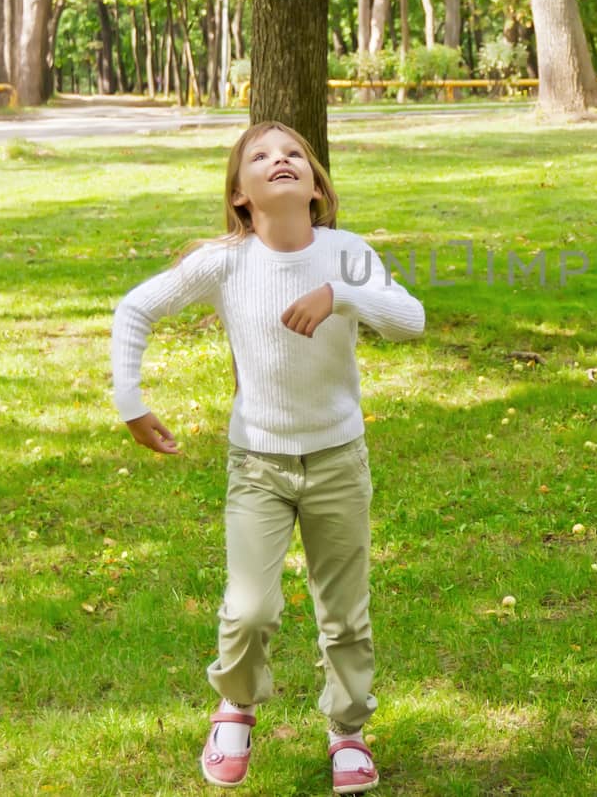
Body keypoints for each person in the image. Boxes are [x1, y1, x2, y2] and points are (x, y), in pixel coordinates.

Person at [112, 121, 424, 793]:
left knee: (344, 611)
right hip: (258, 463)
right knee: (250, 607)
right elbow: (134, 309)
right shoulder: (226, 260)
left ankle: (348, 728)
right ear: (241, 195)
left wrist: (343, 295)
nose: (279, 159)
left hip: (338, 458)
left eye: (294, 155)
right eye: (261, 156)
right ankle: (236, 703)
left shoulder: (345, 253)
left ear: (315, 186)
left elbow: (411, 320)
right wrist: (131, 401)